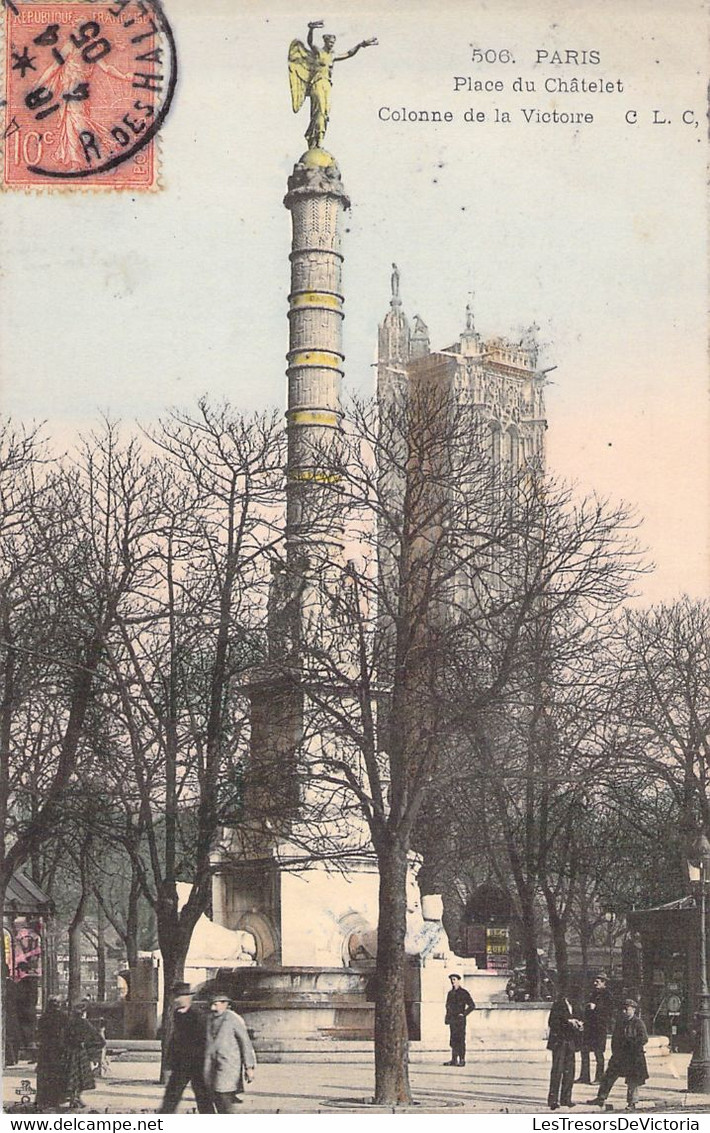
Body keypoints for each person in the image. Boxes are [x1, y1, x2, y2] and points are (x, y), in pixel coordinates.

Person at [288, 22, 377, 150]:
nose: (332, 44)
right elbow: (310, 43)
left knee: (325, 112)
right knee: (318, 111)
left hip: (327, 85)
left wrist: (361, 44)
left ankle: (319, 140)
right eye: (330, 42)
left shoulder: (333, 56)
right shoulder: (318, 52)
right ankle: (314, 140)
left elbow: (348, 54)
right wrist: (311, 29)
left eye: (333, 43)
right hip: (317, 83)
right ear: (325, 41)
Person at [159, 982, 211, 1114]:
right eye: (176, 997)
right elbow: (174, 1040)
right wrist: (169, 1062)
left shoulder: (198, 1015)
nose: (176, 1000)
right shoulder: (177, 1014)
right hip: (180, 1064)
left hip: (196, 1064)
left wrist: (203, 1063)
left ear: (188, 997)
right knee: (172, 1095)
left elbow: (204, 1041)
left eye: (179, 996)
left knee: (202, 1096)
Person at [203, 992, 256, 1113]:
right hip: (211, 1065)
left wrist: (249, 1067)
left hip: (229, 1065)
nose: (213, 1008)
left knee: (223, 1096)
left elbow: (245, 1043)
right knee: (215, 1096)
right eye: (211, 1005)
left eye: (216, 1005)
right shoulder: (209, 1019)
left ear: (225, 1004)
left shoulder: (233, 1019)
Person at [593, 998, 649, 1111]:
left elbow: (644, 1039)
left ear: (633, 1010)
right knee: (608, 1076)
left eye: (626, 1009)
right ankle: (601, 1098)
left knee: (632, 1080)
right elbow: (615, 1039)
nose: (624, 1011)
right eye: (622, 1009)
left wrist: (631, 1044)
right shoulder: (620, 1022)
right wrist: (616, 1052)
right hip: (620, 1056)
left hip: (633, 1056)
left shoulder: (638, 1023)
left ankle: (632, 1103)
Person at [62, 1001, 103, 1110]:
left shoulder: (68, 1023)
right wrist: (90, 1048)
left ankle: (73, 1098)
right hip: (80, 1053)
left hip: (68, 1053)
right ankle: (77, 1098)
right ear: (84, 1013)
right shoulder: (85, 1024)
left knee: (71, 1077)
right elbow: (99, 1040)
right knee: (80, 1077)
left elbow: (63, 1039)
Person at [546, 992, 584, 1110]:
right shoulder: (558, 1005)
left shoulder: (576, 1006)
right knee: (557, 1071)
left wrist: (580, 1024)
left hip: (571, 1042)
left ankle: (566, 1099)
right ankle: (553, 1100)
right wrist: (568, 1022)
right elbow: (552, 1022)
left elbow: (581, 1019)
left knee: (570, 1071)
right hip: (559, 1042)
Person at [577, 972, 614, 1084]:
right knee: (584, 1052)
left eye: (597, 982)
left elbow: (609, 1013)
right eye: (595, 981)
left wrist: (596, 1007)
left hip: (599, 1029)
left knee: (598, 1054)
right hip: (589, 1028)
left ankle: (599, 1078)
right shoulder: (593, 994)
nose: (595, 983)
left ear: (604, 983)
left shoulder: (608, 995)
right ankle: (584, 1076)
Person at [35, 997, 67, 1111]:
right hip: (57, 1049)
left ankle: (43, 1099)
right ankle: (57, 1099)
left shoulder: (44, 1017)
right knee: (56, 1073)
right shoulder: (63, 1016)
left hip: (46, 1049)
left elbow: (39, 1034)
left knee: (45, 1074)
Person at [444, 973, 476, 1066]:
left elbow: (472, 1005)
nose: (452, 982)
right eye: (451, 980)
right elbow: (448, 1006)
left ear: (458, 980)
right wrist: (447, 1017)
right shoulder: (450, 993)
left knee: (461, 1039)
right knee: (453, 1039)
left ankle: (462, 1059)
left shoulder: (464, 993)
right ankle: (454, 1059)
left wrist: (464, 1014)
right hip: (452, 1019)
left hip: (460, 1019)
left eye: (454, 979)